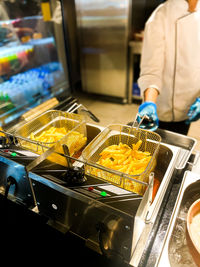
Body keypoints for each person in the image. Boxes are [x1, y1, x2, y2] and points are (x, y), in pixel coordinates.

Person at [137, 0, 200, 135]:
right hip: (162, 109)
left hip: (190, 105)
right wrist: (149, 104)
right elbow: (151, 71)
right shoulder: (161, 16)